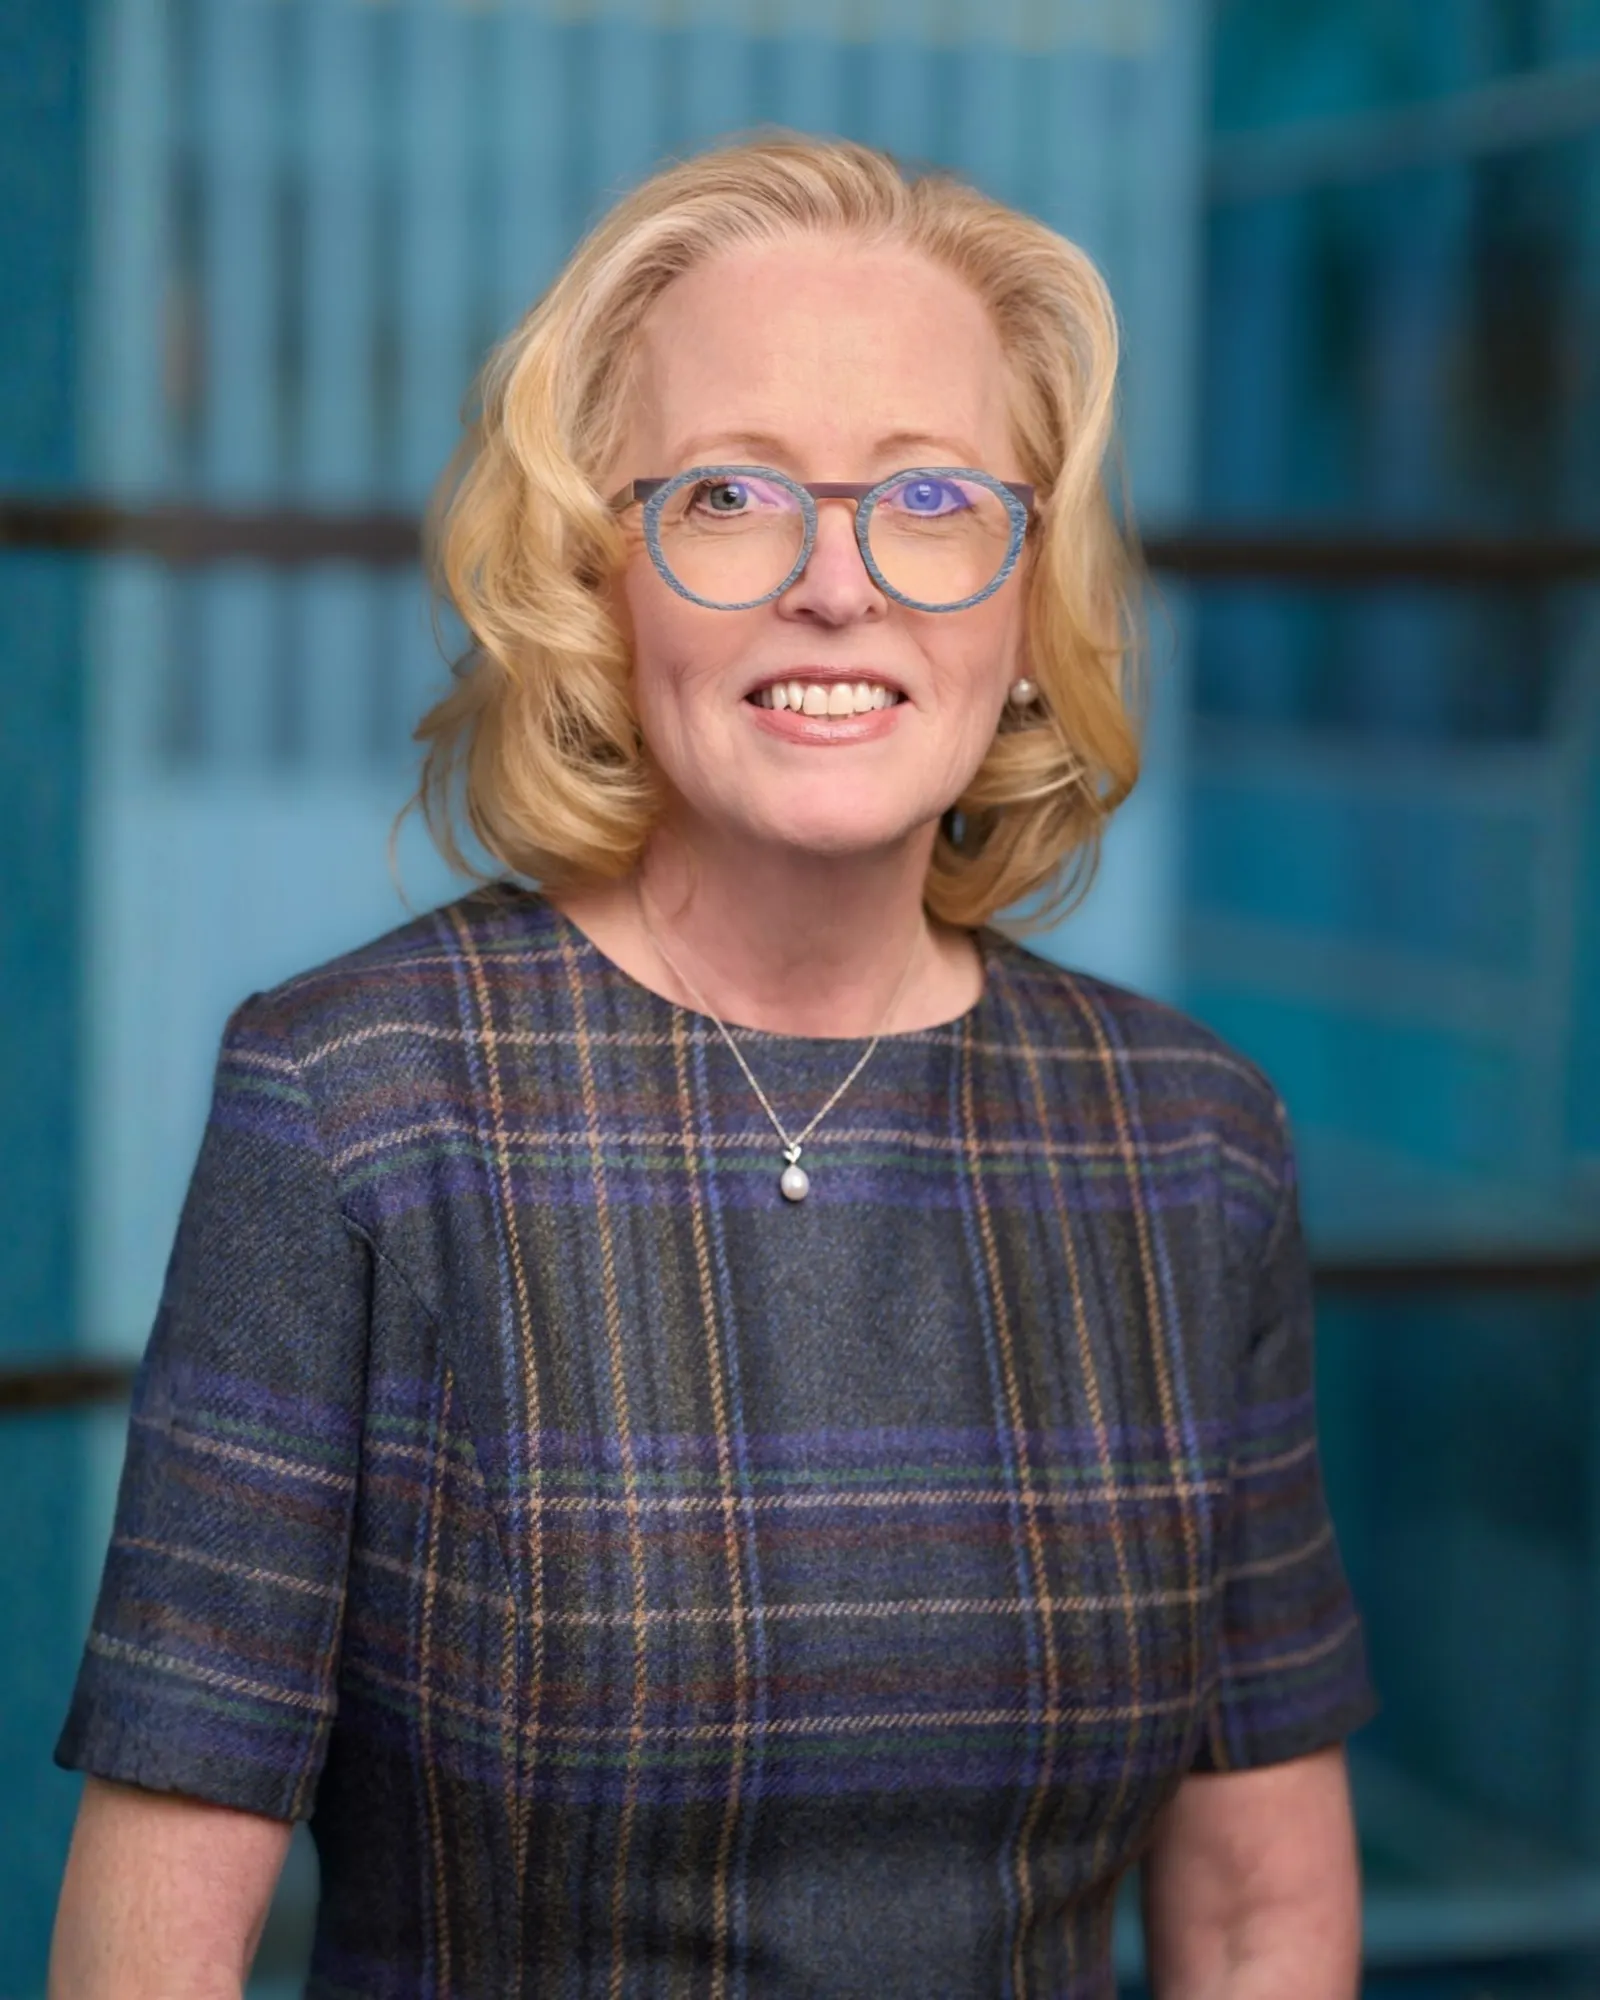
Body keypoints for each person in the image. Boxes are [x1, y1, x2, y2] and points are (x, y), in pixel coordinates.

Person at [49, 134, 1375, 1999]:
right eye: (735, 494)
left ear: (1020, 602)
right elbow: (155, 1955)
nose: (836, 586)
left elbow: (1258, 1916)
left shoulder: (1193, 1147)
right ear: (602, 578)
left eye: (928, 495)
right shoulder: (355, 1108)